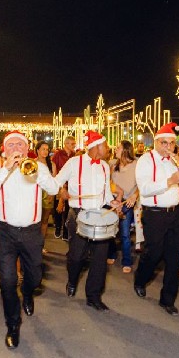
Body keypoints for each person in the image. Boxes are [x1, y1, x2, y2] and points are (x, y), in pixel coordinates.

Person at [0, 131, 59, 349]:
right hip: (5, 232)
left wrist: (37, 173)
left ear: (27, 149)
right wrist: (5, 169)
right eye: (11, 145)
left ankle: (27, 293)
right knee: (7, 281)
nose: (16, 148)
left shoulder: (39, 167)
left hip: (31, 232)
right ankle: (13, 325)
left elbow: (53, 188)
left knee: (35, 277)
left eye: (20, 145)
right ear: (4, 149)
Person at [55, 130, 121, 311]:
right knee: (77, 257)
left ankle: (94, 296)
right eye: (105, 145)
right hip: (78, 214)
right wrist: (61, 191)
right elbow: (56, 181)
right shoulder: (74, 163)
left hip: (100, 216)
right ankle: (72, 280)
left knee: (100, 258)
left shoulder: (105, 166)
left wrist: (113, 202)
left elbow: (106, 194)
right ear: (96, 147)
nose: (108, 148)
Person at [133, 123, 179, 316]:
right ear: (156, 143)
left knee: (175, 257)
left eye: (171, 143)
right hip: (154, 214)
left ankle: (167, 299)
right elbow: (144, 189)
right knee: (153, 253)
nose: (168, 147)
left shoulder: (176, 161)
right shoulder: (145, 160)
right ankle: (140, 279)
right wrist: (170, 180)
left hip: (176, 213)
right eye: (164, 143)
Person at [107, 140, 138, 273]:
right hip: (113, 201)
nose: (115, 150)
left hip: (127, 202)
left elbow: (142, 184)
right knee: (111, 231)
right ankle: (112, 253)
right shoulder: (112, 163)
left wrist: (135, 195)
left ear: (126, 150)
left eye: (118, 148)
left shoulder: (137, 164)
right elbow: (108, 182)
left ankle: (126, 260)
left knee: (125, 233)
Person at [51, 136, 77, 239]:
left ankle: (66, 232)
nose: (74, 145)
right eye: (72, 144)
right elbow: (54, 168)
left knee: (68, 208)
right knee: (58, 207)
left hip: (71, 185)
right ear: (66, 144)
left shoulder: (74, 155)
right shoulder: (58, 154)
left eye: (74, 144)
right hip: (60, 184)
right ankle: (58, 228)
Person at [35, 141, 57, 253]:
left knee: (44, 221)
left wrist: (52, 194)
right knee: (35, 221)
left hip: (47, 194)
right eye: (43, 149)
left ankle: (40, 245)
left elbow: (54, 180)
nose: (45, 151)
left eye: (47, 149)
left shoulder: (51, 164)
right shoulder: (33, 163)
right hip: (35, 194)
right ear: (37, 150)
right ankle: (32, 245)